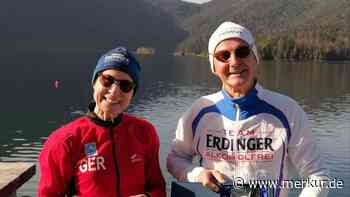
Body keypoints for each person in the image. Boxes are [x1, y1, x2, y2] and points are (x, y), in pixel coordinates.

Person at [167, 22, 329, 197]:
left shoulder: (287, 111)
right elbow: (176, 159)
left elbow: (317, 175)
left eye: (242, 52)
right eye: (223, 55)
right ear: (213, 65)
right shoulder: (200, 110)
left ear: (254, 57)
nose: (234, 61)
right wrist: (198, 174)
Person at [38, 47, 166, 197]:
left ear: (132, 93)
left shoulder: (144, 132)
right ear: (94, 83)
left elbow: (158, 188)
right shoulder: (64, 141)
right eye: (107, 80)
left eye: (125, 86)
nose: (114, 91)